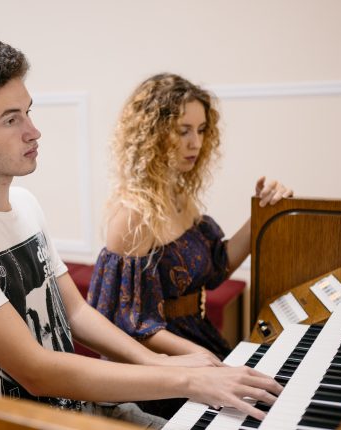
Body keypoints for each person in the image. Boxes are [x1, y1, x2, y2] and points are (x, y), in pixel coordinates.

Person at [0, 38, 282, 429]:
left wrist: (156, 360)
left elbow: (76, 311)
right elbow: (35, 371)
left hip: (81, 408)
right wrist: (186, 379)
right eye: (10, 119)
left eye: (28, 112)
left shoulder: (24, 204)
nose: (34, 131)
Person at [86, 73, 293, 418]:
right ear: (152, 134)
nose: (195, 143)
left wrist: (263, 213)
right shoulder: (133, 214)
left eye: (201, 130)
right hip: (159, 368)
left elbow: (217, 267)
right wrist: (203, 359)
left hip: (197, 339)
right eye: (183, 131)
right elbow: (127, 327)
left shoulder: (180, 195)